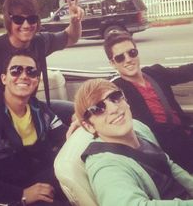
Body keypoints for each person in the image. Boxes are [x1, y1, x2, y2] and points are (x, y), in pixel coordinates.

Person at [0, 51, 70, 206]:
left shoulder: (40, 110)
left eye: (31, 72)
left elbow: (66, 137)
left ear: (36, 80)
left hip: (42, 182)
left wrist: (83, 123)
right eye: (16, 70)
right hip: (5, 196)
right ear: (4, 78)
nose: (24, 76)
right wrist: (21, 195)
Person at [74, 78, 193, 206]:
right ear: (89, 126)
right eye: (97, 108)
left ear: (126, 100)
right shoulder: (106, 167)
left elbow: (168, 164)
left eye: (115, 97)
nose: (114, 108)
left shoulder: (138, 127)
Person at [103, 31, 193, 172]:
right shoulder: (115, 88)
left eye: (132, 52)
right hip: (163, 149)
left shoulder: (155, 72)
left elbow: (186, 71)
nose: (128, 60)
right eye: (120, 58)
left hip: (184, 133)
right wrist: (78, 119)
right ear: (113, 63)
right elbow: (93, 104)